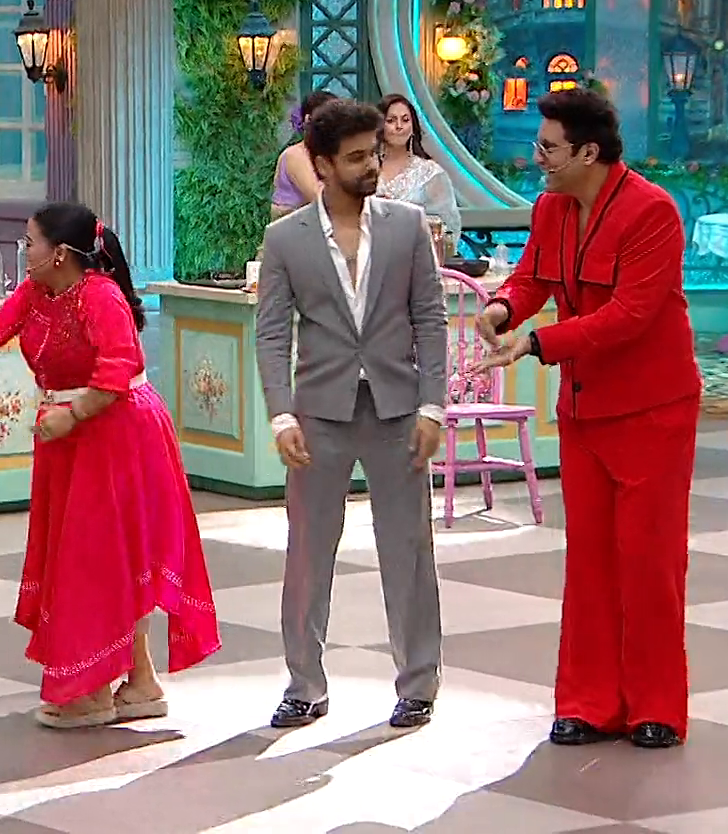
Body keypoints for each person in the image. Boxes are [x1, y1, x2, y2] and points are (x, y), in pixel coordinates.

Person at [0, 203, 220, 728]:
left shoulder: (100, 296)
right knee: (95, 556)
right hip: (70, 435)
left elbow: (119, 367)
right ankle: (139, 682)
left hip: (117, 432)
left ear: (59, 253)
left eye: (30, 242)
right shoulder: (37, 292)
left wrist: (74, 413)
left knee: (99, 559)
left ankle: (93, 688)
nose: (25, 251)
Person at [476, 89, 701, 750]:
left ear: (588, 152)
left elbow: (631, 315)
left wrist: (538, 343)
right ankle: (588, 702)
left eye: (548, 147)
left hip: (652, 412)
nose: (537, 157)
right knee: (590, 561)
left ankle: (656, 706)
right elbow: (531, 278)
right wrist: (502, 309)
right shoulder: (551, 208)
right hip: (583, 410)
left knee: (649, 562)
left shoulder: (652, 212)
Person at [255, 98, 448, 732]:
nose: (372, 166)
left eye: (375, 154)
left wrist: (432, 405)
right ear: (322, 164)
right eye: (357, 157)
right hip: (319, 415)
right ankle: (304, 685)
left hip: (398, 410)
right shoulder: (286, 239)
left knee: (408, 549)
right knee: (308, 553)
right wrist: (281, 416)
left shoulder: (407, 226)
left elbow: (431, 320)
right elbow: (272, 334)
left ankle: (418, 683)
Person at [374, 93, 461, 251]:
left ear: (413, 127)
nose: (399, 126)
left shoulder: (430, 173)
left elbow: (448, 229)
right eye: (391, 120)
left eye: (405, 120)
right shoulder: (367, 167)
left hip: (416, 256)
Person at [271, 90, 337, 218]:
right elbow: (319, 197)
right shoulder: (295, 155)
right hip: (294, 226)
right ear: (308, 120)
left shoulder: (330, 153)